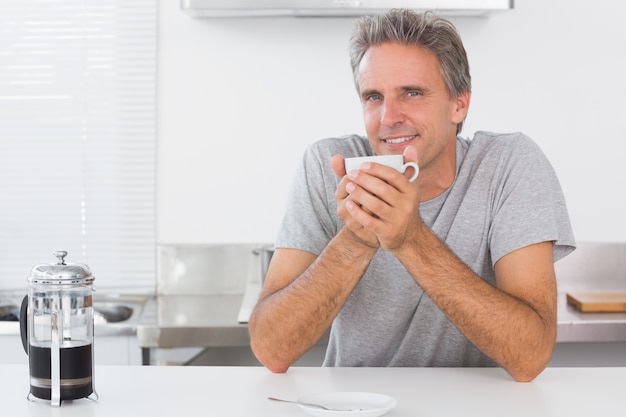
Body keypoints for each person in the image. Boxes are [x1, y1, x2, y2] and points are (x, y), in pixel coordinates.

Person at [248, 9, 575, 382]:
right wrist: (357, 237)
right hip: (356, 406)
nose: (388, 116)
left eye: (412, 93)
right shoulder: (326, 166)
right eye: (373, 96)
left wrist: (410, 239)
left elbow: (530, 355)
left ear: (459, 104)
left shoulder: (508, 165)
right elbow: (271, 349)